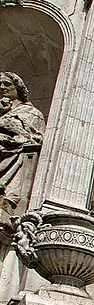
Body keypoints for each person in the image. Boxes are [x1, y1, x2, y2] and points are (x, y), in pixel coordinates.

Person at [0, 72, 44, 212]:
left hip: (14, 148)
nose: (2, 87)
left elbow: (34, 136)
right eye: (0, 85)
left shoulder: (32, 112)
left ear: (18, 88)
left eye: (7, 84)